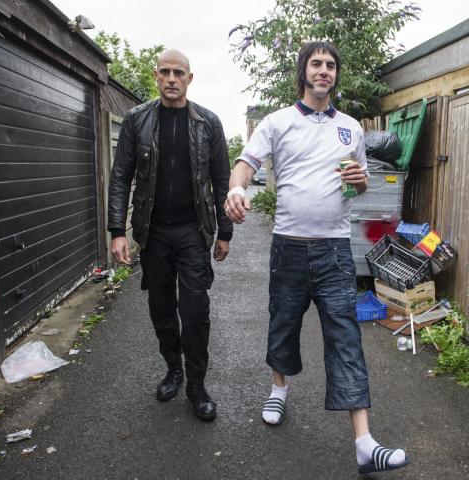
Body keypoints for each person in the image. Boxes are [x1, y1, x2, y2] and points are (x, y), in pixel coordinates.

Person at [224, 42, 408, 474]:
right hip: (288, 246)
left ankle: (364, 442)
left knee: (346, 338)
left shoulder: (351, 129)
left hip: (335, 250)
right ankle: (279, 389)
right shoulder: (277, 122)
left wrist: (360, 182)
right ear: (303, 72)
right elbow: (245, 164)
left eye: (330, 65)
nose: (324, 70)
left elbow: (356, 187)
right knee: (282, 323)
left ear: (335, 75)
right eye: (316, 64)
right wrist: (236, 188)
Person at [107, 49, 232, 421]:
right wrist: (118, 231)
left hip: (194, 232)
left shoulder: (208, 123)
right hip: (154, 233)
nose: (172, 78)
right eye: (165, 72)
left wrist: (224, 232)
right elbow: (120, 177)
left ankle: (197, 384)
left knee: (195, 311)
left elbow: (222, 181)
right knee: (161, 308)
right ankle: (173, 368)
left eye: (179, 72)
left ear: (190, 79)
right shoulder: (136, 120)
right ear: (156, 76)